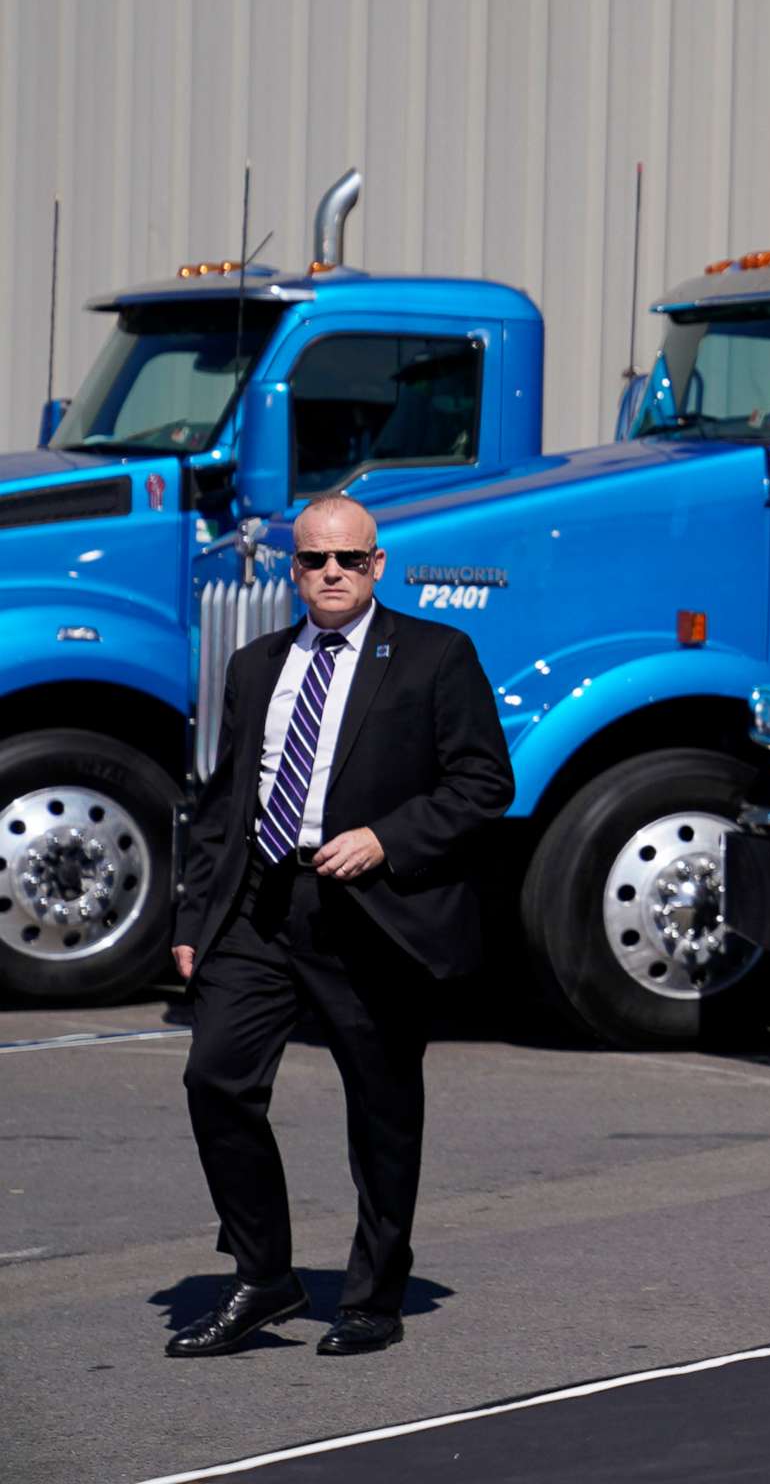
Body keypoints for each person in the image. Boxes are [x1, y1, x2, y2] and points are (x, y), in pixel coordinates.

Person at [167, 496, 512, 1357]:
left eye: (349, 561)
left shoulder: (435, 657)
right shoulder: (256, 666)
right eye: (315, 560)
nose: (331, 574)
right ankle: (263, 1276)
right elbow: (224, 803)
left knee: (383, 1109)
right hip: (260, 905)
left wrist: (386, 839)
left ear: (377, 566)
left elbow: (483, 784)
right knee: (215, 1079)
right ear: (292, 569)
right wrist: (191, 915)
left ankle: (372, 1295)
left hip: (371, 915)